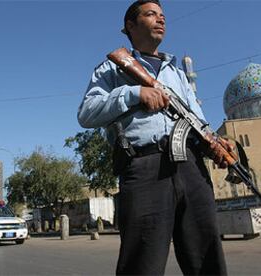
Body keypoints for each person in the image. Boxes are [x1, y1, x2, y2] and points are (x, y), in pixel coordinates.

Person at [78, 1, 231, 274]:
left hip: (192, 167)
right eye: (150, 15)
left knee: (207, 260)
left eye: (162, 16)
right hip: (145, 167)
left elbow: (198, 120)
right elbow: (87, 113)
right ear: (130, 25)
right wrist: (134, 94)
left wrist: (215, 144)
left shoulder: (178, 72)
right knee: (142, 264)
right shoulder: (110, 69)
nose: (160, 20)